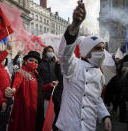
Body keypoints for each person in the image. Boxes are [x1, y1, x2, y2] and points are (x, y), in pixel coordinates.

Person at [56, 1, 112, 131]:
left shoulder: (99, 74)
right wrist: (75, 25)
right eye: (97, 48)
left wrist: (105, 116)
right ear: (87, 52)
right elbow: (64, 55)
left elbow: (96, 98)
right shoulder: (73, 66)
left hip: (88, 127)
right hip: (68, 127)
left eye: (103, 48)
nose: (102, 52)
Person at [5, 51, 55, 131]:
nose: (33, 63)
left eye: (36, 62)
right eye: (31, 60)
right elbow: (17, 83)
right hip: (26, 111)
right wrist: (13, 90)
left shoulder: (36, 74)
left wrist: (50, 85)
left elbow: (39, 89)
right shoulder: (21, 72)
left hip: (37, 110)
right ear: (25, 61)